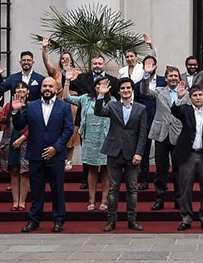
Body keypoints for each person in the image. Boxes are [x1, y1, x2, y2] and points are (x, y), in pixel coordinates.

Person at [11, 77, 74, 233]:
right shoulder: (31, 106)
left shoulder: (64, 107)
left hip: (56, 156)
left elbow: (68, 130)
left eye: (50, 86)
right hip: (36, 155)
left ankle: (58, 220)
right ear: (40, 88)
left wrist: (56, 148)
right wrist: (16, 111)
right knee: (36, 190)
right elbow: (19, 125)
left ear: (56, 88)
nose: (47, 88)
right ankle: (34, 220)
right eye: (44, 85)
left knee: (57, 189)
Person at [94, 77, 148, 231]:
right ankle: (111, 220)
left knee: (132, 189)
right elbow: (98, 112)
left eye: (128, 88)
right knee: (113, 188)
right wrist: (100, 96)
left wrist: (139, 153)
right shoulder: (112, 106)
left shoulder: (141, 108)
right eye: (123, 88)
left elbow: (143, 133)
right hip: (114, 151)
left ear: (132, 90)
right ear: (118, 91)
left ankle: (132, 219)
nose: (125, 90)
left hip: (132, 154)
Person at [171, 85, 203, 231]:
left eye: (200, 95)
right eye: (195, 95)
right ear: (191, 98)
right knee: (185, 189)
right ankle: (186, 218)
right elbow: (175, 111)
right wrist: (179, 97)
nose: (198, 98)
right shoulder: (185, 110)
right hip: (188, 156)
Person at [63, 72, 110, 212]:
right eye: (98, 85)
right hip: (89, 138)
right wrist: (66, 80)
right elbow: (66, 98)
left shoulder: (112, 100)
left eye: (104, 85)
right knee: (92, 169)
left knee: (106, 170)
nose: (101, 87)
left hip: (106, 138)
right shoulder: (85, 98)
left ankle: (104, 200)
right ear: (94, 87)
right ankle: (91, 199)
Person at [139, 63, 184, 210]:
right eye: (170, 76)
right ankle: (159, 198)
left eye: (175, 76)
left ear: (179, 78)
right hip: (161, 134)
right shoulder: (158, 91)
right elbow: (144, 91)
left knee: (179, 169)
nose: (173, 78)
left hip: (178, 135)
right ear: (165, 78)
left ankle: (179, 199)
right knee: (161, 169)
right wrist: (146, 75)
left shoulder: (186, 93)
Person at [40, 37, 82, 174]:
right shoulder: (56, 72)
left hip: (73, 105)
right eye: (63, 58)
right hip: (58, 102)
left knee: (72, 132)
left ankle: (68, 159)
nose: (65, 60)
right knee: (58, 131)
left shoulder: (78, 74)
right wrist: (44, 48)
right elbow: (47, 62)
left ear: (71, 60)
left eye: (67, 58)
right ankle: (59, 157)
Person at [134, 55, 166, 190]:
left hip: (161, 120)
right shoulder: (137, 85)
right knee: (144, 151)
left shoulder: (164, 82)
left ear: (156, 67)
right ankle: (145, 179)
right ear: (143, 68)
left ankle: (162, 181)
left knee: (162, 152)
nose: (149, 66)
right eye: (146, 64)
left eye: (152, 64)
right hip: (145, 121)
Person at [0, 81, 30, 211]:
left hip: (26, 142)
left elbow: (34, 125)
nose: (20, 91)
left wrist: (22, 138)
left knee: (25, 173)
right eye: (18, 89)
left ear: (28, 92)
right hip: (10, 141)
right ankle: (15, 201)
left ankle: (22, 202)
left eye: (23, 89)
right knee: (14, 172)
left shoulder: (32, 106)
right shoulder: (9, 106)